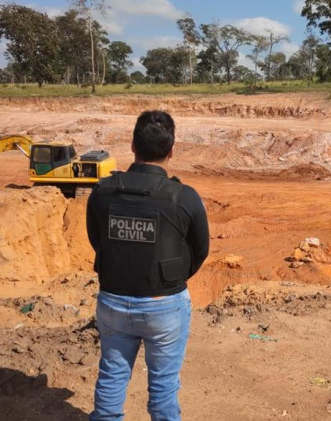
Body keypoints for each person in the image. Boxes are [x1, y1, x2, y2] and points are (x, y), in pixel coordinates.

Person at [86, 110, 209, 421]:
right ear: (171, 150)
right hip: (164, 306)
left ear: (132, 146)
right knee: (164, 387)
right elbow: (200, 250)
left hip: (112, 301)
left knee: (112, 377)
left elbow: (97, 239)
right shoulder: (185, 197)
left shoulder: (101, 192)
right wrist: (171, 279)